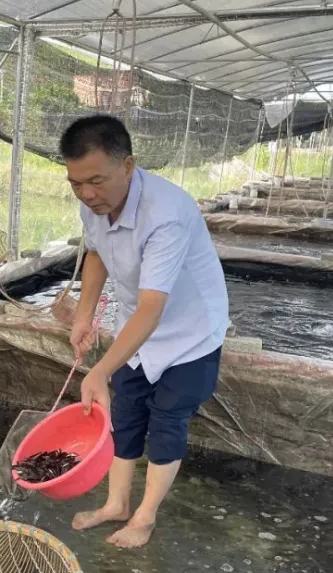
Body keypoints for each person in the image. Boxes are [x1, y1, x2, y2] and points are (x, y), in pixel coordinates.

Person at [64, 115, 229, 549]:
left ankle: (145, 515)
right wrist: (86, 314)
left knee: (167, 418)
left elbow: (155, 307)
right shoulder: (92, 202)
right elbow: (97, 253)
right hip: (136, 325)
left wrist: (99, 370)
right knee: (127, 411)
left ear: (128, 165)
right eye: (75, 183)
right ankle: (116, 504)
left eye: (96, 181)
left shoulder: (167, 213)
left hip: (189, 330)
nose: (86, 194)